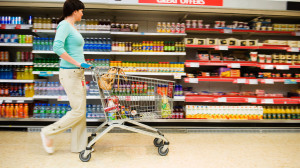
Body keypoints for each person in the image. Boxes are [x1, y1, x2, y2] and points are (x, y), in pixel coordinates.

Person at [40, 0, 91, 154]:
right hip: (71, 73)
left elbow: (73, 49)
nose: (82, 13)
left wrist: (82, 63)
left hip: (77, 73)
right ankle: (48, 132)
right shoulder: (64, 25)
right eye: (81, 11)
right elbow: (57, 47)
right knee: (78, 111)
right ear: (74, 11)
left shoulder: (72, 27)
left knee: (80, 111)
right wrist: (77, 63)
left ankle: (79, 146)